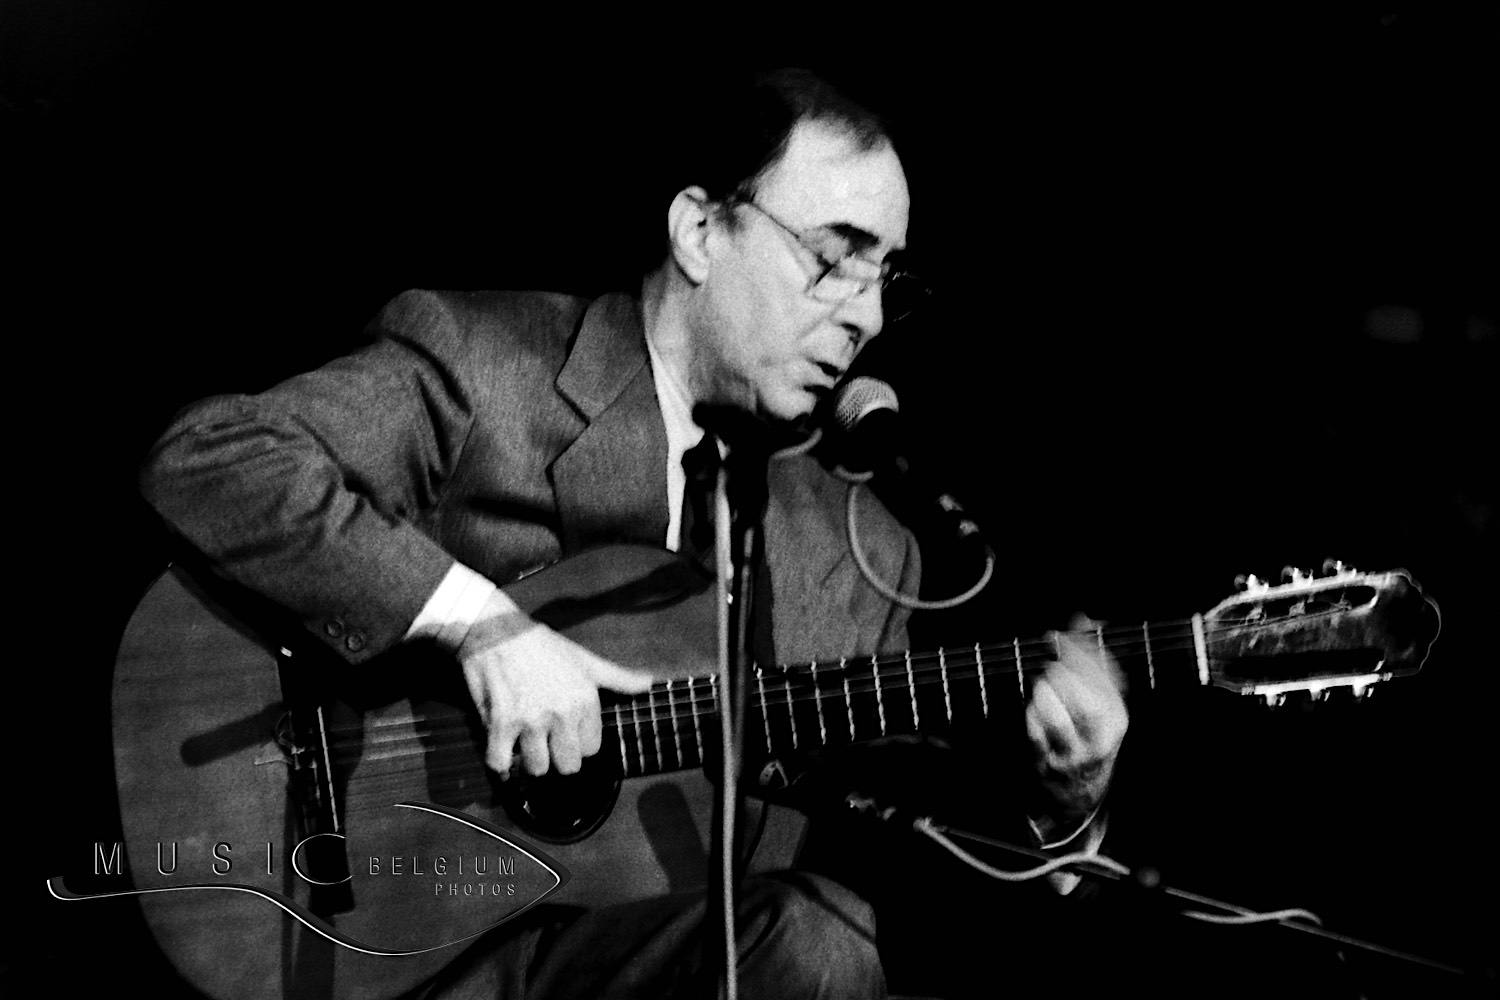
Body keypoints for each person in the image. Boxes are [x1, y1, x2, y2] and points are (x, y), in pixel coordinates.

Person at [140, 67, 1127, 999]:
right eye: (835, 258)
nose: (866, 316)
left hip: (647, 963)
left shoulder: (856, 546)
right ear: (700, 230)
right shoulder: (489, 367)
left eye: (888, 280)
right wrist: (483, 626)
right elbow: (210, 457)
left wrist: (1063, 799)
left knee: (825, 941)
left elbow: (908, 828)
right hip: (399, 944)